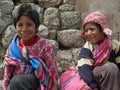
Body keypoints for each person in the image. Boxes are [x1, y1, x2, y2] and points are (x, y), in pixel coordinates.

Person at [2, 3, 58, 90]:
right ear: (15, 27)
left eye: (29, 24)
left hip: (38, 83)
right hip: (15, 86)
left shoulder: (44, 46)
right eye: (20, 25)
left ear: (36, 27)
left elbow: (52, 70)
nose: (24, 29)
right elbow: (8, 72)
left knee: (18, 81)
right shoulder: (13, 47)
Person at [77, 11, 120, 90]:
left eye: (92, 29)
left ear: (102, 30)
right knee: (110, 68)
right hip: (94, 78)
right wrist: (93, 86)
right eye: (86, 30)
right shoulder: (88, 47)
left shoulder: (114, 45)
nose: (88, 33)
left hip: (113, 78)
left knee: (112, 69)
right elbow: (84, 68)